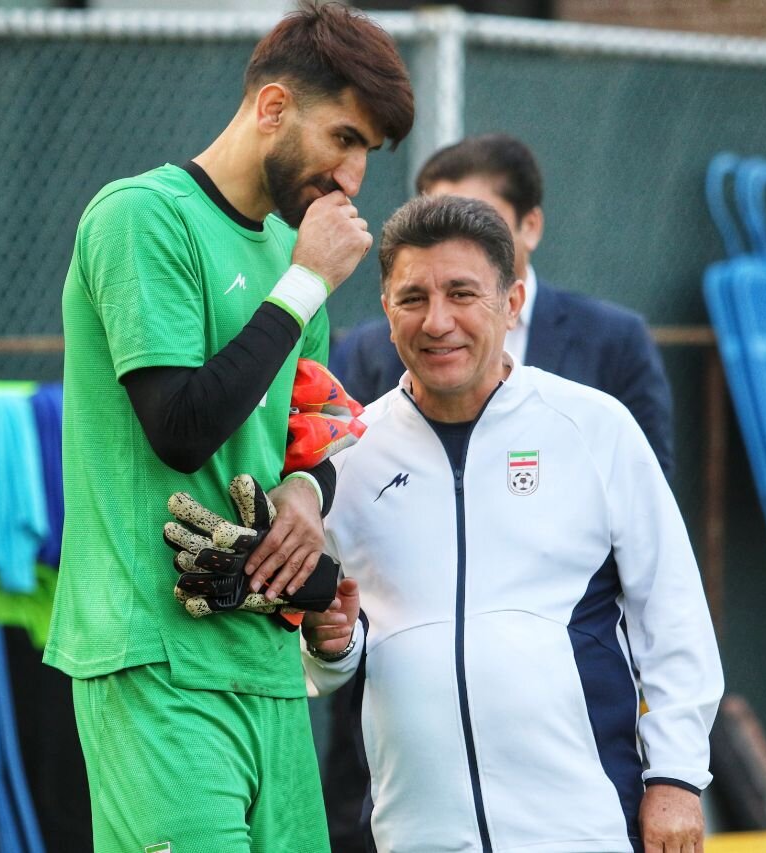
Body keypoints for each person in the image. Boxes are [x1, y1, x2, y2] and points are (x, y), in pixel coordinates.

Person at [42, 2, 413, 849]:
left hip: (267, 662)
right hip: (153, 656)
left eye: (368, 154)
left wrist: (306, 495)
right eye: (344, 138)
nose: (353, 179)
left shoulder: (293, 253)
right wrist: (305, 281)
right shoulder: (142, 216)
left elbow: (308, 428)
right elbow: (179, 426)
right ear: (273, 107)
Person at [301, 195, 723, 853]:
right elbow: (327, 656)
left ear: (513, 302)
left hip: (583, 830)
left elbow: (672, 615)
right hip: (416, 833)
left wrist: (675, 777)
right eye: (413, 298)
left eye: (462, 293)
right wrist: (328, 645)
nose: (437, 321)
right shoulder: (347, 456)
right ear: (386, 312)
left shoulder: (595, 426)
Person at [329, 133, 673, 479]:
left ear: (531, 226)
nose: (438, 324)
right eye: (437, 215)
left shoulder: (614, 341)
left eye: (481, 217)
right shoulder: (370, 350)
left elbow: (644, 480)